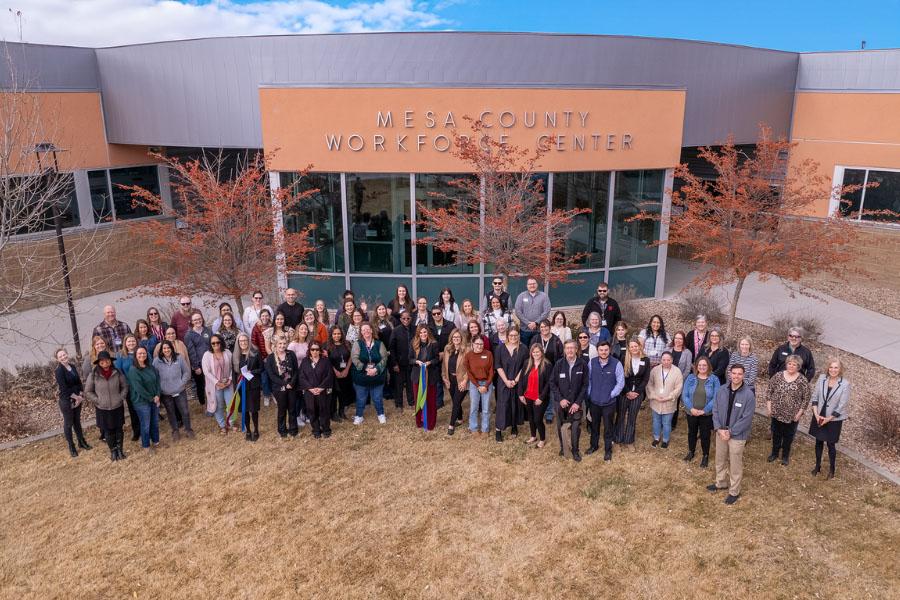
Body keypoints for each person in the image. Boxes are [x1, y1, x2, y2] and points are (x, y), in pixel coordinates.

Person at [708, 364, 756, 505]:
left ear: (743, 375)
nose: (736, 376)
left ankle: (734, 491)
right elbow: (715, 410)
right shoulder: (722, 390)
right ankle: (721, 482)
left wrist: (731, 432)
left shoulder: (748, 395)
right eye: (733, 373)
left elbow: (747, 418)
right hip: (721, 432)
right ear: (729, 374)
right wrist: (718, 428)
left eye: (739, 374)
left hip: (737, 435)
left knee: (735, 463)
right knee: (720, 459)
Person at [809, 358, 850, 479]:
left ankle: (832, 469)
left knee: (831, 444)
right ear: (828, 368)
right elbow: (815, 397)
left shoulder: (845, 384)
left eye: (836, 367)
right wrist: (816, 414)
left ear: (840, 369)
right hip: (819, 414)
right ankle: (818, 466)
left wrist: (828, 419)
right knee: (818, 441)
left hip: (834, 419)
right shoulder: (822, 378)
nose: (833, 370)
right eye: (831, 367)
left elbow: (842, 405)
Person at [767, 354, 811, 466]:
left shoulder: (802, 380)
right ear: (786, 364)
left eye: (794, 364)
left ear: (798, 367)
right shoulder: (778, 376)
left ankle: (785, 456)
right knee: (776, 433)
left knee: (788, 436)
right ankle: (774, 453)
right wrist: (769, 407)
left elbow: (806, 399)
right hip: (776, 412)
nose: (791, 366)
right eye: (789, 363)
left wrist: (800, 413)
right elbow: (769, 391)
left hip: (792, 415)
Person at [84, 350, 129, 461]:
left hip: (117, 406)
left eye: (107, 360)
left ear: (110, 361)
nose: (105, 363)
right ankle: (113, 451)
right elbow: (88, 391)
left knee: (119, 429)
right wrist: (98, 400)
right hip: (103, 408)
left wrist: (121, 397)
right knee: (108, 431)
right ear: (99, 362)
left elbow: (125, 386)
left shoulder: (117, 372)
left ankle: (120, 450)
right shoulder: (94, 375)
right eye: (102, 361)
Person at [586, 340, 625, 461]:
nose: (603, 352)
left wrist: (612, 394)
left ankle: (608, 450)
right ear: (597, 351)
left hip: (609, 403)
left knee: (608, 427)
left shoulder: (616, 364)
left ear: (609, 350)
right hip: (594, 402)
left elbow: (620, 382)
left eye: (606, 350)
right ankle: (594, 446)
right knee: (594, 426)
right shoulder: (592, 362)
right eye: (601, 350)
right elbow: (588, 380)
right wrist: (590, 393)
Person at [550, 340, 588, 461]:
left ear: (577, 349)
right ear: (564, 350)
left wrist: (577, 402)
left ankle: (575, 451)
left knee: (575, 426)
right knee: (561, 425)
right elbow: (552, 383)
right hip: (561, 402)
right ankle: (564, 447)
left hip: (576, 402)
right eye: (567, 348)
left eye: (572, 348)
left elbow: (585, 385)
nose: (570, 350)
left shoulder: (582, 364)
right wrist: (560, 399)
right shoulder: (559, 364)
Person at [681, 356, 719, 467]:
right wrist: (691, 408)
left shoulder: (714, 379)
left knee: (705, 435)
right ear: (696, 366)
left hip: (706, 414)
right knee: (691, 432)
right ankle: (691, 452)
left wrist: (705, 410)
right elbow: (685, 395)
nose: (702, 367)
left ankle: (705, 455)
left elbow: (716, 397)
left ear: (708, 367)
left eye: (704, 365)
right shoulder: (691, 378)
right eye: (700, 365)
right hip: (691, 412)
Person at [153, 340, 194, 441]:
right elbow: (154, 376)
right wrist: (160, 387)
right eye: (164, 348)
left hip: (180, 390)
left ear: (172, 348)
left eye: (168, 348)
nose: (166, 350)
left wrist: (182, 383)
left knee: (184, 411)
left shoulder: (179, 357)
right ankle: (175, 430)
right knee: (171, 412)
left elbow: (186, 372)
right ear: (161, 350)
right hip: (166, 393)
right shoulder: (156, 361)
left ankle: (188, 429)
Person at [494, 327, 528, 442]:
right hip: (503, 381)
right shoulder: (500, 348)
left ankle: (514, 426)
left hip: (517, 382)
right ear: (507, 336)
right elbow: (498, 366)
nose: (513, 337)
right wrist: (506, 381)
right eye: (511, 335)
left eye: (515, 335)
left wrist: (515, 380)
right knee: (503, 404)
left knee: (515, 404)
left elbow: (525, 366)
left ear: (518, 335)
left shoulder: (523, 349)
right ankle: (498, 430)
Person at [351, 323, 389, 426]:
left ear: (372, 330)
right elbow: (354, 358)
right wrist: (365, 369)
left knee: (377, 397)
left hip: (377, 375)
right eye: (363, 330)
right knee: (361, 398)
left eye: (368, 329)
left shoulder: (379, 343)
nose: (366, 331)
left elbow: (384, 358)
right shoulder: (357, 344)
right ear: (361, 332)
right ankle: (359, 416)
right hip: (361, 376)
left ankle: (381, 414)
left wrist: (376, 369)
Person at [54, 348, 90, 457]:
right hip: (67, 401)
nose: (63, 357)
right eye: (60, 356)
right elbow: (64, 388)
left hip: (77, 398)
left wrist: (80, 395)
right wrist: (76, 398)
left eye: (64, 355)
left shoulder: (73, 366)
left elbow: (79, 382)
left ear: (67, 354)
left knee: (77, 422)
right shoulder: (59, 371)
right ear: (57, 359)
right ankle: (72, 446)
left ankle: (81, 442)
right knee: (68, 423)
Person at [646, 351, 684, 449]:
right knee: (656, 421)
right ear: (661, 360)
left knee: (667, 422)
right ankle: (656, 438)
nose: (666, 362)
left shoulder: (677, 371)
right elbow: (650, 384)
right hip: (656, 401)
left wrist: (669, 397)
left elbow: (678, 387)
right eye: (664, 360)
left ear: (672, 360)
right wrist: (654, 396)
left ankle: (665, 440)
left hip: (669, 402)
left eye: (668, 360)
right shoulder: (655, 370)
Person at [126, 347, 161, 454]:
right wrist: (151, 397)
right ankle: (146, 445)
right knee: (145, 424)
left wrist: (158, 395)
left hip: (154, 399)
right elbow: (139, 388)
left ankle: (156, 441)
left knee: (154, 422)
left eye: (144, 353)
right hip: (141, 402)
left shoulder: (150, 367)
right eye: (139, 353)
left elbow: (157, 381)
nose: (142, 355)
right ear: (135, 355)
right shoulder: (133, 370)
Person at [617, 338, 650, 447]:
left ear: (639, 346)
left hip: (638, 393)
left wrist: (636, 392)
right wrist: (627, 391)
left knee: (632, 417)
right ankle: (618, 438)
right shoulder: (623, 358)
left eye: (636, 346)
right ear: (629, 348)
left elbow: (646, 379)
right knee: (621, 416)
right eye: (631, 346)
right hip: (624, 392)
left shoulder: (645, 360)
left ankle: (629, 440)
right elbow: (620, 377)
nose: (634, 348)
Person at [298, 342, 334, 439]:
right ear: (309, 350)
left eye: (317, 349)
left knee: (324, 410)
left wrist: (321, 387)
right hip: (310, 392)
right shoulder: (305, 362)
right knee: (311, 410)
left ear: (320, 350)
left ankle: (326, 429)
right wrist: (310, 388)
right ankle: (316, 430)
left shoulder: (325, 361)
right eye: (312, 349)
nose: (315, 351)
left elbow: (329, 375)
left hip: (323, 391)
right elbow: (301, 377)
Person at [266, 336, 300, 437]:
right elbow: (271, 375)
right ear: (275, 345)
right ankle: (282, 430)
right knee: (282, 409)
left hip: (292, 386)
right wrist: (285, 384)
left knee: (292, 408)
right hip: (279, 387)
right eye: (280, 344)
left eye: (284, 343)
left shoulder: (291, 354)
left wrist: (292, 383)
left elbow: (296, 371)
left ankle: (293, 429)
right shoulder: (271, 358)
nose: (282, 346)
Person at [518, 343, 551, 448]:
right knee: (531, 418)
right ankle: (533, 436)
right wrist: (520, 394)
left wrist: (541, 398)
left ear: (542, 352)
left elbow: (549, 383)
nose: (536, 353)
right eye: (534, 352)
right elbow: (522, 379)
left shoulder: (547, 365)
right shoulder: (527, 363)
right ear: (531, 353)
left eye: (538, 351)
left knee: (538, 419)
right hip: (528, 396)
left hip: (539, 398)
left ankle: (542, 439)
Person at [202, 334, 235, 435]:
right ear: (210, 344)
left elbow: (233, 367)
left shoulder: (227, 352)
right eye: (213, 343)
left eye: (217, 342)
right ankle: (222, 425)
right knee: (218, 405)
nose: (216, 344)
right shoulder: (207, 355)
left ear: (221, 342)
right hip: (215, 385)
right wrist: (217, 382)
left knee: (230, 404)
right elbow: (206, 371)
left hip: (228, 384)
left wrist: (230, 379)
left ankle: (231, 423)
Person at [232, 333, 263, 441]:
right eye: (241, 341)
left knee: (253, 409)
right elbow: (234, 373)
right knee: (244, 410)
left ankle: (256, 430)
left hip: (253, 385)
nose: (243, 343)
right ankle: (248, 431)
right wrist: (235, 386)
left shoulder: (255, 352)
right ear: (238, 343)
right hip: (241, 386)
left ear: (248, 341)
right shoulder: (235, 356)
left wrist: (252, 372)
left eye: (245, 340)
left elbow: (261, 369)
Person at [411, 324, 440, 431]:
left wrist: (430, 362)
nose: (423, 334)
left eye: (425, 332)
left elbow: (437, 359)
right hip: (417, 376)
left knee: (431, 400)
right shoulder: (414, 343)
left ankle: (430, 422)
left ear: (428, 333)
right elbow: (410, 359)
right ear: (418, 333)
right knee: (418, 399)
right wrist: (416, 361)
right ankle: (420, 422)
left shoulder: (434, 344)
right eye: (421, 332)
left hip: (430, 376)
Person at [464, 337, 494, 435]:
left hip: (487, 383)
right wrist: (477, 386)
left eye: (481, 344)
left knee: (486, 408)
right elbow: (469, 372)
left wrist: (486, 385)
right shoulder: (468, 355)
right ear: (472, 344)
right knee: (474, 406)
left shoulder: (488, 354)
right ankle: (473, 428)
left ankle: (485, 429)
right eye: (477, 344)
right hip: (474, 383)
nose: (479, 346)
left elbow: (491, 371)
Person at [429, 305, 456, 409]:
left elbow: (454, 340)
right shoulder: (429, 326)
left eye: (438, 313)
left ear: (442, 313)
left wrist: (444, 353)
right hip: (434, 357)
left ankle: (455, 400)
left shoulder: (450, 325)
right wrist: (436, 354)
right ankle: (439, 402)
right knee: (437, 380)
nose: (436, 315)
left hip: (448, 355)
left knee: (450, 379)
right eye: (434, 314)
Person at [115, 334, 141, 441]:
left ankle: (146, 428)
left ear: (136, 342)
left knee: (144, 408)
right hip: (129, 387)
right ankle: (136, 431)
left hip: (142, 385)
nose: (131, 343)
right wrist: (126, 384)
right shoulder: (120, 355)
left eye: (133, 341)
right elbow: (119, 371)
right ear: (125, 343)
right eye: (129, 341)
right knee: (133, 410)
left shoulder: (140, 352)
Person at [84, 335, 110, 442]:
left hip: (111, 388)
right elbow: (86, 374)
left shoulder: (111, 354)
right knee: (101, 411)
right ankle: (103, 433)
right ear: (94, 346)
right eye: (97, 344)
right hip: (98, 390)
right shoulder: (89, 359)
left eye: (102, 343)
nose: (100, 345)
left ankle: (112, 430)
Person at [443, 329, 468, 436]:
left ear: (462, 338)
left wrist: (465, 381)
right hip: (450, 380)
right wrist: (445, 378)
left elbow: (469, 368)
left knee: (456, 402)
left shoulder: (467, 350)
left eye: (458, 337)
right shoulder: (447, 349)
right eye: (454, 337)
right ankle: (460, 418)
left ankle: (451, 425)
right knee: (455, 400)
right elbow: (444, 365)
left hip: (461, 380)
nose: (456, 339)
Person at [326, 326, 353, 421]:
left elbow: (351, 357)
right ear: (331, 335)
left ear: (341, 334)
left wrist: (346, 370)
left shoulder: (347, 343)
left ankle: (342, 412)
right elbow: (326, 360)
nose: (337, 336)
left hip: (346, 373)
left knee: (343, 393)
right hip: (333, 374)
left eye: (338, 334)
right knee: (334, 394)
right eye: (334, 334)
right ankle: (333, 414)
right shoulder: (327, 345)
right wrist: (335, 371)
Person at [185, 311, 212, 406]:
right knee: (200, 385)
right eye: (195, 319)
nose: (198, 321)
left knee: (211, 382)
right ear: (192, 321)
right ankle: (203, 403)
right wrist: (196, 367)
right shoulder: (189, 335)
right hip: (199, 364)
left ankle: (212, 400)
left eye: (199, 319)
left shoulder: (208, 331)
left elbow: (212, 345)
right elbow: (191, 352)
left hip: (210, 362)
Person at [514, 277, 551, 347]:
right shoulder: (521, 296)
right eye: (530, 284)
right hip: (524, 330)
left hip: (539, 330)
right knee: (524, 350)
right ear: (527, 286)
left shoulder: (544, 296)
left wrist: (536, 323)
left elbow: (546, 311)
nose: (532, 285)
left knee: (538, 350)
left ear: (537, 285)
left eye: (534, 283)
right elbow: (518, 311)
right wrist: (528, 323)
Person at [389, 310, 414, 411]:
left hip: (411, 362)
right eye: (404, 318)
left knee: (410, 383)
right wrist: (394, 363)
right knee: (399, 384)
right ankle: (399, 404)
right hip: (399, 363)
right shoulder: (396, 331)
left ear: (411, 319)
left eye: (408, 318)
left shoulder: (415, 329)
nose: (406, 320)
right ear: (400, 319)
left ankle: (411, 402)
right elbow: (391, 348)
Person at [250, 308, 272, 405]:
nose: (265, 317)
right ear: (260, 317)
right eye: (263, 316)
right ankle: (266, 395)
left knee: (272, 376)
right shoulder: (256, 328)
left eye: (266, 315)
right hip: (261, 357)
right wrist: (262, 357)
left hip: (272, 355)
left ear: (269, 316)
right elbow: (254, 343)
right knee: (264, 377)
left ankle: (273, 393)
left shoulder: (273, 326)